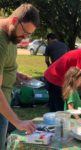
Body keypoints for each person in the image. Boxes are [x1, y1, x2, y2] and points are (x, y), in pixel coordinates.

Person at [0, 4, 40, 149]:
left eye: (29, 35)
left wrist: (16, 74)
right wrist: (18, 122)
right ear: (15, 20)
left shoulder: (11, 34)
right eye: (24, 34)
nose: (24, 38)